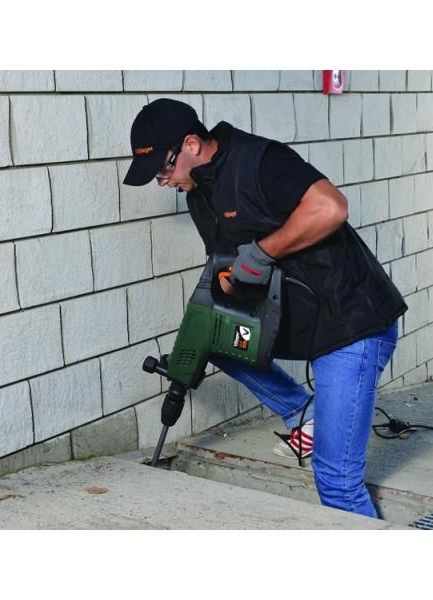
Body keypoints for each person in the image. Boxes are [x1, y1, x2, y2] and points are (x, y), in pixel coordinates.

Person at [123, 98, 407, 519]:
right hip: (302, 320)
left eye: (163, 169)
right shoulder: (199, 194)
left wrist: (261, 253)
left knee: (337, 480)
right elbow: (232, 261)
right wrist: (223, 290)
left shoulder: (259, 160)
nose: (162, 181)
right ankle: (304, 414)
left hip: (350, 323)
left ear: (191, 145)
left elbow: (331, 208)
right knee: (206, 337)